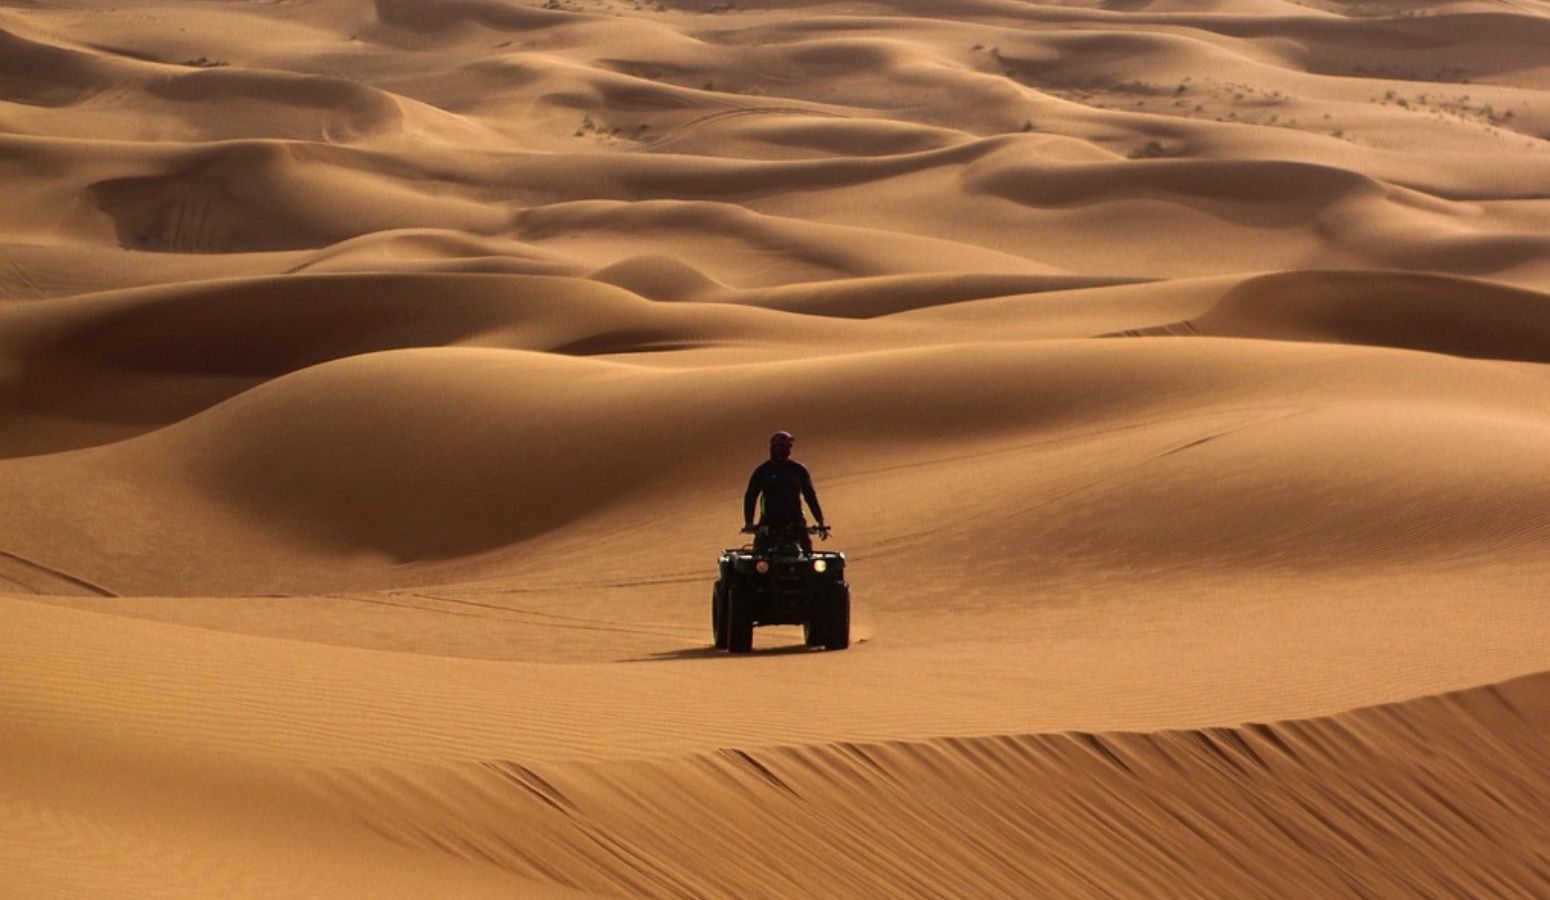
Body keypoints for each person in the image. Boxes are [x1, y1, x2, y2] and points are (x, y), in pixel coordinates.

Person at [743, 430, 826, 554]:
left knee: (807, 557)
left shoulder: (798, 470)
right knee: (759, 559)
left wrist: (820, 521)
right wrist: (749, 522)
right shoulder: (763, 471)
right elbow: (751, 496)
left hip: (796, 523)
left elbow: (810, 496)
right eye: (783, 446)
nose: (785, 449)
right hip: (769, 524)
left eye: (788, 446)